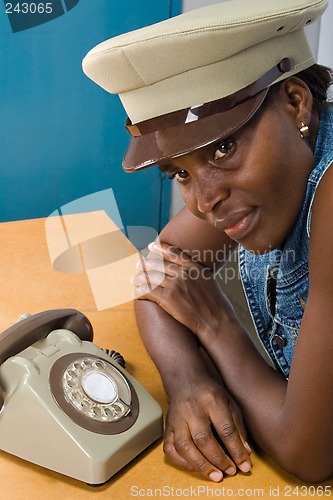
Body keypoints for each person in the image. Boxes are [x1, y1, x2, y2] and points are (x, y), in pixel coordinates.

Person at [82, 0, 333, 484]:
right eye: (180, 172)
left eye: (224, 147)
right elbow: (160, 273)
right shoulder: (250, 186)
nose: (204, 201)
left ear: (296, 102)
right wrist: (187, 380)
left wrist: (215, 325)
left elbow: (308, 454)